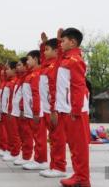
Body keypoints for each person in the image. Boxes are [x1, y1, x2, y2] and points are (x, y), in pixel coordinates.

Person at [55, 28, 90, 187]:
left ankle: (83, 179)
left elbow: (78, 86)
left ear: (73, 42)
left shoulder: (75, 60)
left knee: (79, 147)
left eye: (63, 41)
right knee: (73, 146)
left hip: (74, 111)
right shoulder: (67, 58)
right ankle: (78, 176)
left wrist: (75, 110)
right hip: (67, 109)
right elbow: (57, 61)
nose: (60, 44)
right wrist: (57, 39)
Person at [38, 31, 68, 178]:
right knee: (53, 138)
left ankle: (60, 166)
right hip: (46, 108)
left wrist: (58, 40)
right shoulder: (46, 65)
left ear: (56, 51)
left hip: (54, 109)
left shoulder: (56, 65)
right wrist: (44, 43)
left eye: (47, 49)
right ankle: (53, 165)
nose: (44, 52)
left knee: (58, 138)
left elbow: (55, 90)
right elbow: (43, 58)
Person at [21, 50, 48, 171]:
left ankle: (41, 160)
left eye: (28, 59)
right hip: (31, 111)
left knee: (39, 137)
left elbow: (36, 94)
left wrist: (36, 111)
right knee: (36, 136)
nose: (27, 62)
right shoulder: (31, 74)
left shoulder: (37, 74)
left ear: (36, 59)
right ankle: (37, 158)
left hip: (36, 112)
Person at [1, 61, 22, 161]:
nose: (5, 71)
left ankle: (15, 153)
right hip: (8, 111)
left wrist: (10, 110)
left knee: (14, 134)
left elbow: (12, 99)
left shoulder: (15, 81)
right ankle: (10, 150)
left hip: (13, 111)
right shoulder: (8, 82)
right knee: (10, 132)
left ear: (14, 70)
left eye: (8, 69)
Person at [10, 58, 29, 165]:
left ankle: (26, 156)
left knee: (26, 135)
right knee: (20, 134)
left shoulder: (26, 77)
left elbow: (25, 95)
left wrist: (22, 108)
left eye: (19, 65)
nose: (17, 67)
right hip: (18, 111)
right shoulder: (20, 79)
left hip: (26, 111)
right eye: (16, 65)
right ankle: (23, 154)